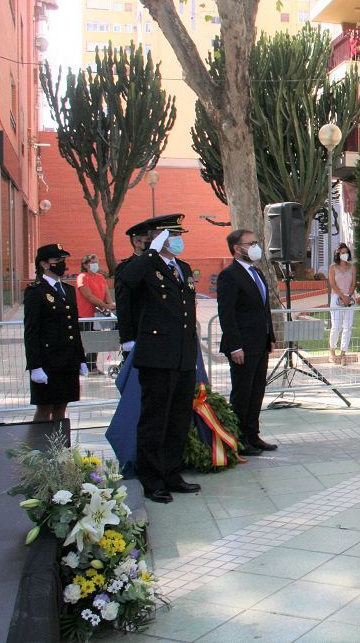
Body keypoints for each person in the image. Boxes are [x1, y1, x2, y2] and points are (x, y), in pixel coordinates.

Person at [116, 214, 200, 504]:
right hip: (157, 355)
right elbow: (126, 281)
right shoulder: (142, 267)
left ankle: (172, 473)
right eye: (171, 235)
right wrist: (151, 251)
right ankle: (151, 479)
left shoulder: (183, 268)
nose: (178, 240)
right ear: (158, 237)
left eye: (179, 235)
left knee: (178, 419)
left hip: (183, 355)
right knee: (155, 420)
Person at [217, 229, 277, 456]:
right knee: (242, 393)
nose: (255, 246)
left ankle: (253, 434)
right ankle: (239, 438)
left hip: (259, 342)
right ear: (237, 249)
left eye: (256, 242)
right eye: (250, 243)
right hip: (242, 345)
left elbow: (264, 308)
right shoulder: (229, 275)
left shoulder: (257, 273)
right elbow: (227, 313)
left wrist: (270, 336)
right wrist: (235, 346)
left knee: (257, 391)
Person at [24, 244, 87, 422]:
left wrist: (81, 358)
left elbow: (73, 327)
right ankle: (36, 450)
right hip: (48, 361)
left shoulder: (67, 289)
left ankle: (60, 449)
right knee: (45, 409)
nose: (62, 264)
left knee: (61, 408)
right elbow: (31, 331)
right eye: (57, 260)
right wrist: (34, 366)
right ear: (44, 264)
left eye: (63, 260)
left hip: (68, 359)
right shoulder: (36, 291)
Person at [116, 218, 154, 360]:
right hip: (140, 333)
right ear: (137, 242)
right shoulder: (126, 268)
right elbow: (123, 305)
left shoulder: (160, 265)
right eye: (149, 239)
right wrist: (127, 338)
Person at [76, 253, 114, 374]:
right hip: (84, 315)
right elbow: (88, 296)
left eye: (96, 262)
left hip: (98, 316)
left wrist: (110, 304)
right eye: (92, 262)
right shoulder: (82, 277)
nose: (95, 264)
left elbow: (106, 293)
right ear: (85, 265)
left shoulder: (100, 277)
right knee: (85, 341)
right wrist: (105, 305)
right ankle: (82, 366)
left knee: (95, 341)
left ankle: (92, 366)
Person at [328, 243, 357, 365]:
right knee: (336, 326)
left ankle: (343, 353)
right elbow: (332, 284)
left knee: (348, 327)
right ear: (338, 254)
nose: (344, 254)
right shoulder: (333, 267)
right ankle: (332, 351)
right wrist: (342, 297)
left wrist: (349, 297)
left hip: (350, 299)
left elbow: (354, 283)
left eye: (346, 252)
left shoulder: (352, 267)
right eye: (342, 252)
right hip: (336, 298)